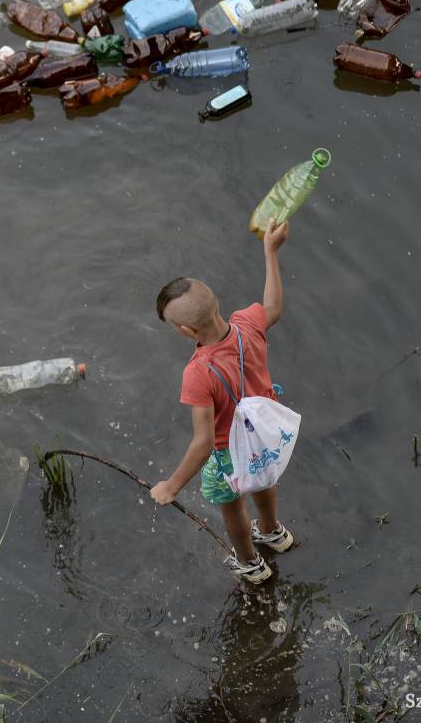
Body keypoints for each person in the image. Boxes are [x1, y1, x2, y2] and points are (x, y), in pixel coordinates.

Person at [151, 218, 294, 584]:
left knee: (231, 504)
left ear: (186, 330)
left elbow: (202, 444)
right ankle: (272, 531)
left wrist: (171, 486)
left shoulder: (198, 373)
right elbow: (273, 305)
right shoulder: (247, 324)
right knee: (263, 477)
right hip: (264, 433)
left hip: (231, 451)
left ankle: (249, 562)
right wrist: (271, 252)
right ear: (215, 303)